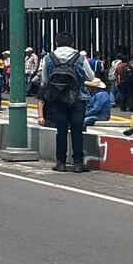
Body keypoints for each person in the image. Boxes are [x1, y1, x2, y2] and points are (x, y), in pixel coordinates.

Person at [37, 32, 95, 172]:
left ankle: (61, 162)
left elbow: (45, 80)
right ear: (72, 43)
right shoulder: (80, 58)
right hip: (78, 98)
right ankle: (78, 163)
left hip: (58, 100)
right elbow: (91, 76)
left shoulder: (49, 58)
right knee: (77, 131)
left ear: (56, 43)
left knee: (61, 131)